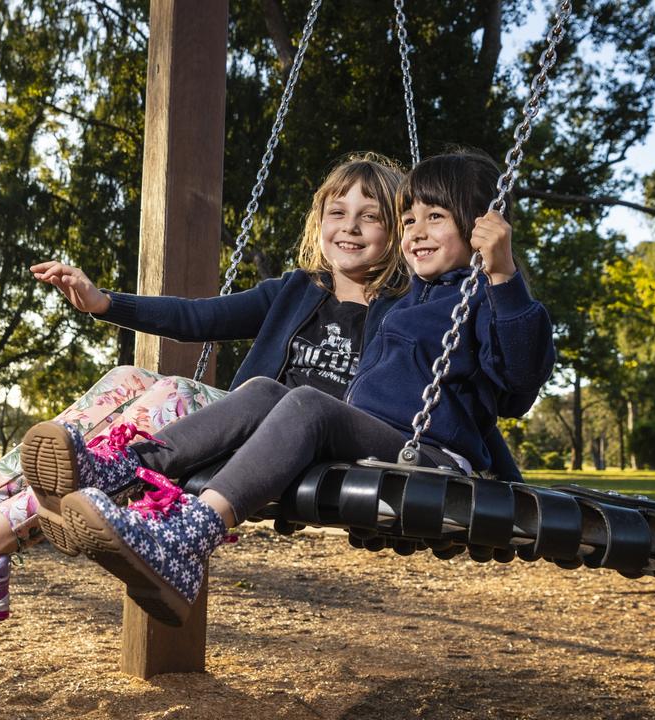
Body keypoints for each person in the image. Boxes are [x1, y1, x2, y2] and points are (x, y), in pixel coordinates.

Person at [0, 153, 412, 620]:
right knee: (127, 380)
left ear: (397, 232)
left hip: (295, 441)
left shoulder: (406, 307)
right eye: (338, 212)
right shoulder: (295, 291)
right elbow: (196, 317)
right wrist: (104, 303)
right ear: (319, 221)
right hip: (231, 427)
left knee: (169, 398)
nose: (350, 228)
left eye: (370, 217)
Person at [27, 149, 557, 626]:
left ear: (483, 227)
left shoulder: (490, 297)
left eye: (435, 218)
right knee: (261, 390)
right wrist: (107, 304)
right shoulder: (414, 295)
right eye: (409, 218)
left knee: (308, 403)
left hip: (429, 455)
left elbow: (517, 387)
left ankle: (191, 535)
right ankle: (124, 468)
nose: (416, 230)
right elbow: (200, 315)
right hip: (371, 438)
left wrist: (505, 275)